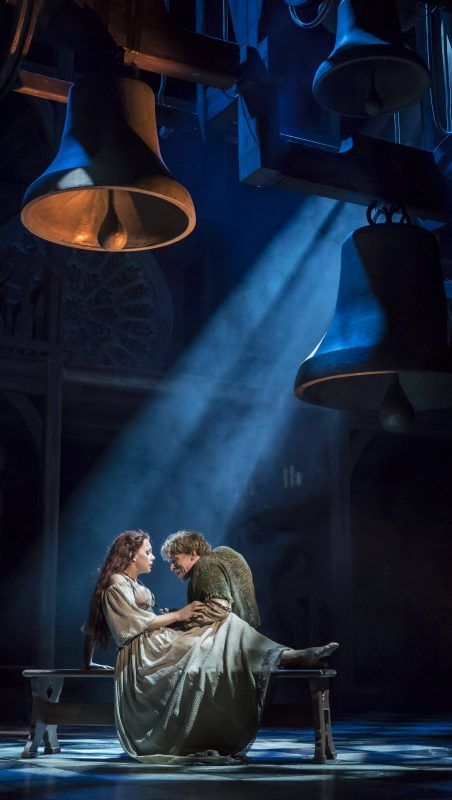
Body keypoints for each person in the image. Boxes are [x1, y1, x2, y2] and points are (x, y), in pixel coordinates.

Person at [84, 528, 338, 765]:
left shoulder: (133, 582)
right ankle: (286, 656)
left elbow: (97, 623)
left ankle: (285, 656)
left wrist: (177, 617)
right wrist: (178, 616)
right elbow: (131, 623)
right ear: (131, 554)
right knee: (224, 629)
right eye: (148, 552)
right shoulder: (116, 580)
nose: (153, 558)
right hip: (143, 652)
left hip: (156, 642)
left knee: (224, 631)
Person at [160, 529, 261, 627]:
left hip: (232, 633)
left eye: (175, 560)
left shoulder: (205, 564)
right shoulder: (220, 557)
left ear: (192, 554)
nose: (171, 567)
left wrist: (176, 619)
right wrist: (177, 614)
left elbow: (219, 609)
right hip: (245, 630)